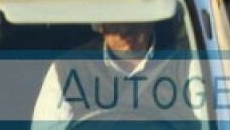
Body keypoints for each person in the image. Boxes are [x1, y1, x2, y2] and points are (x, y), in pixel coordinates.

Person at [30, 20, 194, 127]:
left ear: (151, 18)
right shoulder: (68, 68)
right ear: (100, 25)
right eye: (114, 22)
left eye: (133, 18)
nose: (125, 30)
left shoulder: (188, 60)